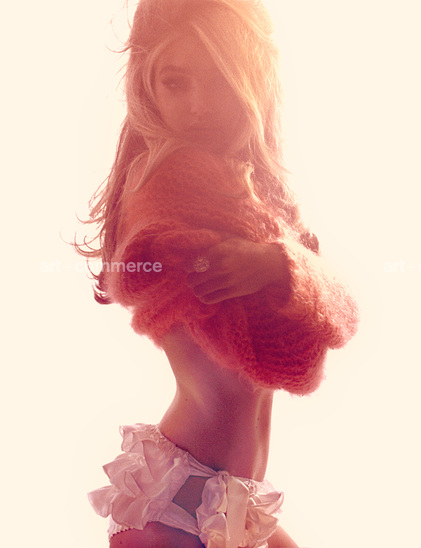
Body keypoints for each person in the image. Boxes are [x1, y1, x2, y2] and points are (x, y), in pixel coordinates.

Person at [76, 0, 359, 546]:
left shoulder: (258, 195)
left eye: (221, 79)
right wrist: (294, 270)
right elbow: (295, 357)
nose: (199, 106)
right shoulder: (169, 176)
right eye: (175, 82)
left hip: (230, 497)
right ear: (146, 87)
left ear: (253, 79)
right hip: (180, 502)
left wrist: (278, 264)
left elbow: (338, 317)